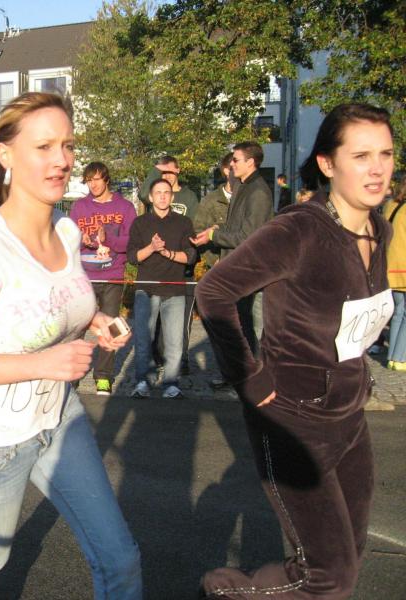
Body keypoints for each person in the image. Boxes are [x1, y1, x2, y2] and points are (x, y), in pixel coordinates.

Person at [0, 92, 142, 600]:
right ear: (6, 155)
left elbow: (61, 302)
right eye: (44, 147)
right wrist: (43, 361)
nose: (62, 160)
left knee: (120, 559)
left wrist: (96, 321)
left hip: (59, 419)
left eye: (68, 145)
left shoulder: (66, 230)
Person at [196, 103, 395, 599]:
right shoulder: (299, 229)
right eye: (361, 156)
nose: (377, 168)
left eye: (386, 154)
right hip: (292, 420)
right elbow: (214, 291)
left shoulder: (379, 227)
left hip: (349, 417)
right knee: (331, 576)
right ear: (327, 164)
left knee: (347, 556)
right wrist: (248, 377)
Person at [191, 141, 273, 358]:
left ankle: (256, 372)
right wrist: (214, 230)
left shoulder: (258, 192)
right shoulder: (243, 186)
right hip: (238, 269)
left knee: (251, 330)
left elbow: (248, 236)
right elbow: (235, 226)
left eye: (236, 160)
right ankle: (243, 370)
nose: (232, 164)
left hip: (250, 272)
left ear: (250, 162)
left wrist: (214, 236)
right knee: (239, 327)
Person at [69, 161, 137, 395]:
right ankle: (73, 375)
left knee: (111, 327)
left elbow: (131, 242)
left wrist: (107, 239)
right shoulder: (79, 207)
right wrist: (82, 241)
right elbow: (68, 240)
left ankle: (104, 376)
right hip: (83, 277)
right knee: (77, 327)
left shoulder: (125, 207)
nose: (93, 184)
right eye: (89, 180)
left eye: (96, 179)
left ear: (106, 179)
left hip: (112, 276)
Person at [128, 178, 196, 399]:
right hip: (146, 290)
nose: (163, 196)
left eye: (166, 192)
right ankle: (142, 381)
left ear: (172, 196)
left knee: (174, 342)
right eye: (158, 192)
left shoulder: (183, 222)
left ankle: (171, 383)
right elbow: (133, 257)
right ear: (150, 197)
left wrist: (167, 253)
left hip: (175, 290)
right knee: (143, 340)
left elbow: (190, 256)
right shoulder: (140, 223)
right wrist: (151, 247)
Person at [193, 153, 233, 271]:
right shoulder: (210, 200)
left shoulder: (249, 198)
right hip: (217, 267)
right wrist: (213, 260)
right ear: (227, 171)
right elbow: (198, 232)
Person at [384, 178, 406, 371]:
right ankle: (400, 358)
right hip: (404, 266)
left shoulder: (390, 205)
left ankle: (391, 356)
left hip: (391, 265)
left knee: (398, 312)